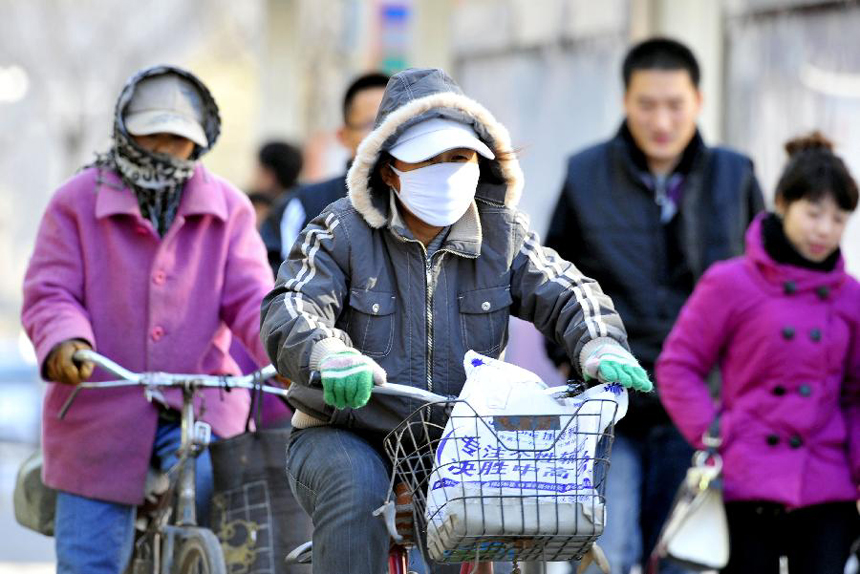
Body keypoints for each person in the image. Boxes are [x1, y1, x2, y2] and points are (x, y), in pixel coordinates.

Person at [260, 67, 654, 574]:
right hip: (344, 432)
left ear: (480, 160)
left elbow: (567, 289)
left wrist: (599, 343)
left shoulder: (502, 233)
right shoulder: (340, 229)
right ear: (387, 170)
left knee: (487, 525)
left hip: (457, 439)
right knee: (356, 488)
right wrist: (326, 352)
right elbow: (291, 303)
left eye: (459, 156)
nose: (446, 170)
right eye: (427, 158)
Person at [22, 65, 274, 574]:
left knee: (224, 499)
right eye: (150, 134)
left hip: (202, 404)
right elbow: (50, 292)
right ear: (124, 130)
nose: (163, 148)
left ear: (200, 144)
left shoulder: (229, 208)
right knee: (89, 558)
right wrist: (65, 341)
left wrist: (286, 349)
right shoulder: (75, 202)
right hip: (100, 405)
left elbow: (254, 300)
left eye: (177, 140)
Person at [543, 38, 764, 573]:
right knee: (606, 554)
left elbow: (763, 282)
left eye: (675, 104)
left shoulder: (735, 176)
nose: (660, 120)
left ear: (699, 102)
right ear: (625, 102)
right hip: (609, 401)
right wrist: (571, 359)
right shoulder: (585, 174)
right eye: (646, 104)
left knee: (688, 558)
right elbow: (550, 280)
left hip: (704, 406)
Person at [657, 133, 860, 574]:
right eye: (813, 213)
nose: (825, 229)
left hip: (829, 484)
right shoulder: (731, 283)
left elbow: (856, 395)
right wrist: (715, 434)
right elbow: (678, 366)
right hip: (746, 477)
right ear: (782, 203)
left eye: (839, 218)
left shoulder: (851, 298)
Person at [263, 71, 389, 270]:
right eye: (369, 124)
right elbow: (277, 288)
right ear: (343, 136)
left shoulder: (424, 210)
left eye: (394, 122)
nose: (383, 134)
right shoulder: (303, 206)